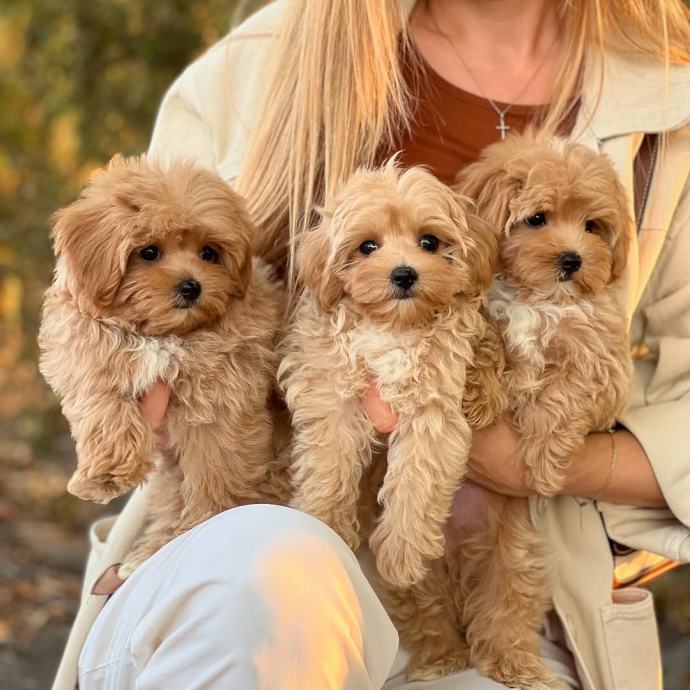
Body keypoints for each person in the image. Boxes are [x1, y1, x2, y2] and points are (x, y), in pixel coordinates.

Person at [51, 1, 690, 688]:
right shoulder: (255, 62)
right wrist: (133, 409)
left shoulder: (667, 90)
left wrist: (536, 461)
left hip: (514, 587)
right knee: (269, 572)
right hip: (251, 537)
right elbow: (106, 285)